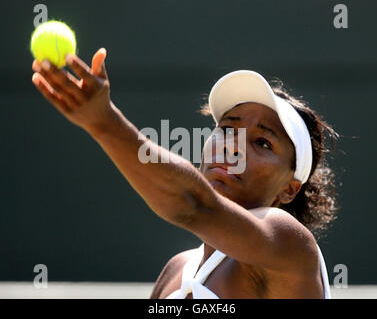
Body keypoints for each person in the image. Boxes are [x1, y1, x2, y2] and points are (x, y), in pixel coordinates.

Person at [31, 48, 339, 299]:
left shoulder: (290, 245)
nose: (233, 147)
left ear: (290, 188)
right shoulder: (176, 269)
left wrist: (104, 123)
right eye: (227, 128)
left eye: (262, 142)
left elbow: (194, 206)